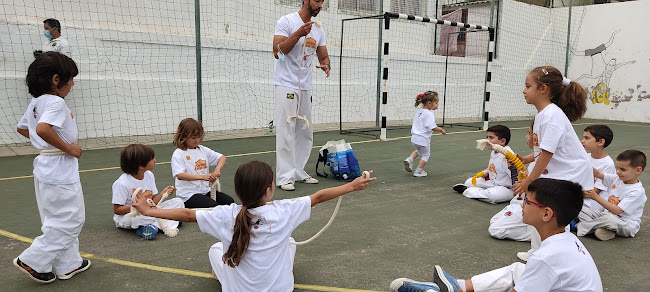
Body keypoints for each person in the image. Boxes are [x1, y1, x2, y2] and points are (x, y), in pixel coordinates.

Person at [131, 160, 375, 291]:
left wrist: (149, 210)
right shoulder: (284, 211)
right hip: (281, 290)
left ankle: (223, 277)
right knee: (288, 243)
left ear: (237, 192)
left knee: (216, 250)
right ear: (270, 190)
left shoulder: (226, 215)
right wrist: (351, 186)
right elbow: (319, 196)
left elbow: (186, 214)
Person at [390, 178, 602, 292]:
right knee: (518, 270)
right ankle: (459, 287)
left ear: (547, 214)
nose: (522, 205)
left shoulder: (547, 257)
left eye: (528, 202)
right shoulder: (565, 240)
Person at [13, 52, 90, 283]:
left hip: (45, 165)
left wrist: (44, 144)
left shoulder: (36, 102)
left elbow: (23, 128)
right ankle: (33, 260)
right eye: (71, 79)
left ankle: (69, 263)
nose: (73, 83)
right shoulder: (56, 102)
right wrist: (69, 148)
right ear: (56, 79)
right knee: (71, 219)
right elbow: (44, 129)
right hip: (59, 167)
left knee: (56, 218)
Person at [513, 66, 594, 261]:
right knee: (538, 208)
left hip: (570, 173)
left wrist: (529, 181)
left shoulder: (552, 116)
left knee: (552, 215)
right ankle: (538, 251)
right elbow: (544, 150)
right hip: (560, 170)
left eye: (528, 86)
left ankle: (557, 256)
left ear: (543, 89)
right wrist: (526, 159)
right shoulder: (544, 115)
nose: (524, 91)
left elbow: (547, 153)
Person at [272, 0, 330, 191]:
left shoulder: (318, 30)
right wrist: (298, 34)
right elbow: (277, 52)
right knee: (286, 130)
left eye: (323, 2)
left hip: (305, 87)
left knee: (304, 131)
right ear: (306, 0)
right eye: (317, 1)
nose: (320, 5)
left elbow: (323, 56)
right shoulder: (286, 21)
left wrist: (326, 65)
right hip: (286, 85)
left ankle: (298, 171)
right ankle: (284, 177)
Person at [112, 144, 184, 240]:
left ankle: (154, 227)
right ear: (141, 165)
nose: (155, 161)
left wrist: (163, 194)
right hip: (130, 216)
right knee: (142, 218)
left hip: (150, 211)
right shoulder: (122, 183)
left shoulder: (149, 175)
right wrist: (140, 207)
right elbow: (117, 210)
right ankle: (168, 222)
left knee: (178, 202)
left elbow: (154, 201)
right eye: (152, 159)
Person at [577, 150, 646, 241]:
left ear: (638, 170)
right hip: (605, 215)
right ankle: (602, 230)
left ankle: (578, 226)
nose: (618, 172)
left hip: (625, 224)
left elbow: (617, 211)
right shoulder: (617, 179)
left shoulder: (637, 192)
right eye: (617, 168)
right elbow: (599, 174)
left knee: (608, 219)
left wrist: (596, 197)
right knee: (581, 208)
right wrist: (586, 165)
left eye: (623, 169)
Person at [171, 118, 235, 209]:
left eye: (199, 137)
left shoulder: (202, 150)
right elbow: (180, 175)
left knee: (229, 202)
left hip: (205, 191)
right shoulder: (179, 153)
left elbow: (222, 157)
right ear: (183, 136)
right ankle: (185, 205)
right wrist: (203, 177)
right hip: (188, 195)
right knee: (213, 207)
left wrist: (217, 170)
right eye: (193, 138)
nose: (197, 140)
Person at [487, 122, 535, 241]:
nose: (526, 136)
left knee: (495, 230)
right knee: (494, 221)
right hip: (521, 201)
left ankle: (542, 233)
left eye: (529, 134)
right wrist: (514, 170)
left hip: (534, 204)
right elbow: (517, 182)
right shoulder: (535, 161)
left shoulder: (545, 163)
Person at [452, 125, 514, 203]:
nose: (487, 140)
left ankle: (469, 191)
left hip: (506, 188)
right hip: (493, 182)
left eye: (491, 138)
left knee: (492, 196)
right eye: (487, 137)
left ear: (502, 141)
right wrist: (486, 172)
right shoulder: (494, 151)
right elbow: (493, 167)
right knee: (469, 182)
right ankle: (480, 191)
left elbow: (516, 177)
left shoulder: (507, 157)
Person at [573, 125, 616, 231]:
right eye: (583, 138)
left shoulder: (608, 164)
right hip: (581, 198)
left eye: (587, 138)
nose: (582, 141)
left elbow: (595, 191)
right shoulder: (585, 157)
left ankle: (578, 225)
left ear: (600, 142)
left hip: (593, 204)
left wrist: (572, 195)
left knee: (568, 208)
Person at [403, 91, 447, 177]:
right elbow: (432, 126)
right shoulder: (429, 114)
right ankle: (418, 171)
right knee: (426, 155)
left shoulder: (419, 112)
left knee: (418, 151)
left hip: (414, 138)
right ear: (429, 103)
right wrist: (441, 129)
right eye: (436, 103)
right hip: (423, 139)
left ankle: (409, 159)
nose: (437, 105)